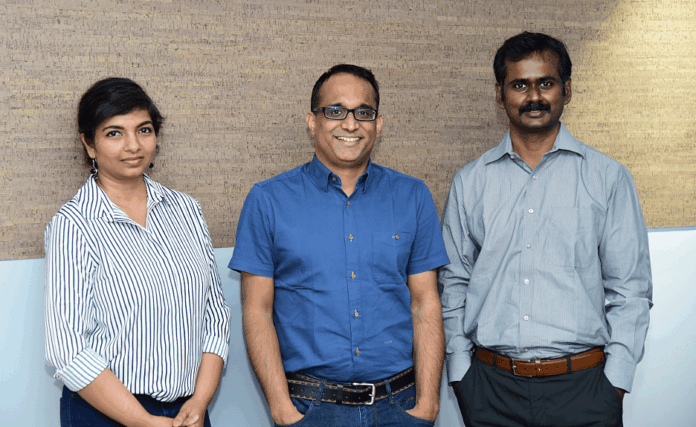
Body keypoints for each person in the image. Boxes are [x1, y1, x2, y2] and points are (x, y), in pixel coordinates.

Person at [439, 32, 653, 427]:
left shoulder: (607, 178)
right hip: (490, 391)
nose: (534, 96)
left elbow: (630, 290)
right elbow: (453, 284)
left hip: (585, 390)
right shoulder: (470, 182)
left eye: (546, 83)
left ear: (567, 90)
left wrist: (615, 384)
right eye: (520, 85)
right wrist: (460, 374)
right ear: (500, 94)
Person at [229, 64, 450, 427]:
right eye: (335, 111)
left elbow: (425, 303)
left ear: (378, 123)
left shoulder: (412, 196)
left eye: (363, 112)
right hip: (310, 408)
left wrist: (428, 404)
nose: (350, 124)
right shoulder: (268, 200)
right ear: (312, 121)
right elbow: (257, 311)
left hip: (400, 405)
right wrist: (282, 409)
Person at [45, 77, 231, 427]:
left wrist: (200, 400)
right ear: (89, 144)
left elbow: (215, 317)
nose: (133, 145)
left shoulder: (186, 210)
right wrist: (142, 421)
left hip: (189, 411)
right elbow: (67, 348)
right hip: (105, 413)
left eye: (143, 130)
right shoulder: (73, 225)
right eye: (114, 133)